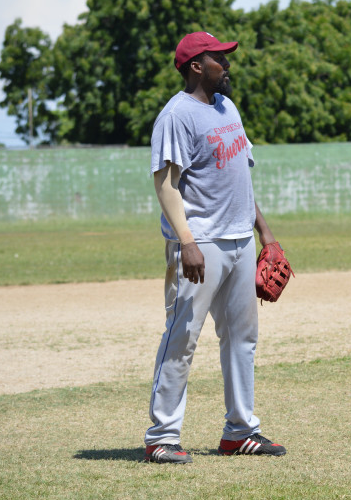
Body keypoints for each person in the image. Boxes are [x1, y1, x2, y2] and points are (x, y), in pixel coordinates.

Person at [144, 31, 286, 464]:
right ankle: (162, 436)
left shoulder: (228, 107)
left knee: (243, 338)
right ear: (195, 67)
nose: (227, 64)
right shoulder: (176, 115)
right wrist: (186, 241)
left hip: (241, 239)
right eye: (218, 58)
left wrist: (266, 233)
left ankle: (240, 431)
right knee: (182, 336)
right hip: (201, 242)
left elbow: (242, 174)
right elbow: (165, 182)